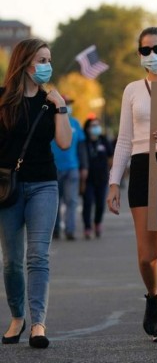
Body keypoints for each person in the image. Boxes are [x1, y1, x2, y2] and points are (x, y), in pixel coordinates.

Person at [107, 27, 157, 342]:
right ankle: (152, 296)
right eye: (145, 50)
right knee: (146, 254)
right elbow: (124, 139)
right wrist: (114, 182)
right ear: (139, 54)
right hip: (141, 167)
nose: (151, 55)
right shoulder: (132, 90)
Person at [0, 38, 72, 348]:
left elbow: (65, 142)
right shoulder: (2, 100)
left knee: (38, 255)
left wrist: (62, 106)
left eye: (49, 60)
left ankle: (38, 324)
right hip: (8, 189)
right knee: (12, 260)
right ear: (25, 63)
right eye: (42, 60)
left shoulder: (50, 101)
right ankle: (18, 317)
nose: (47, 66)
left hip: (44, 183)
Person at [51, 97, 88, 240]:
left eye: (68, 104)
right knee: (55, 202)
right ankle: (55, 230)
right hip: (53, 168)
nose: (67, 106)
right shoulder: (51, 121)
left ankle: (70, 229)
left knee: (71, 200)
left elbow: (81, 147)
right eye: (65, 103)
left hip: (72, 167)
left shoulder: (75, 124)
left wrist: (84, 166)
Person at [82, 117, 113, 239]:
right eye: (93, 125)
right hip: (88, 178)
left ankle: (97, 222)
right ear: (88, 128)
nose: (96, 128)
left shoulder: (104, 140)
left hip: (102, 177)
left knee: (100, 203)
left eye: (97, 125)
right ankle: (87, 227)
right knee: (88, 202)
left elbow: (111, 156)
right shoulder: (84, 142)